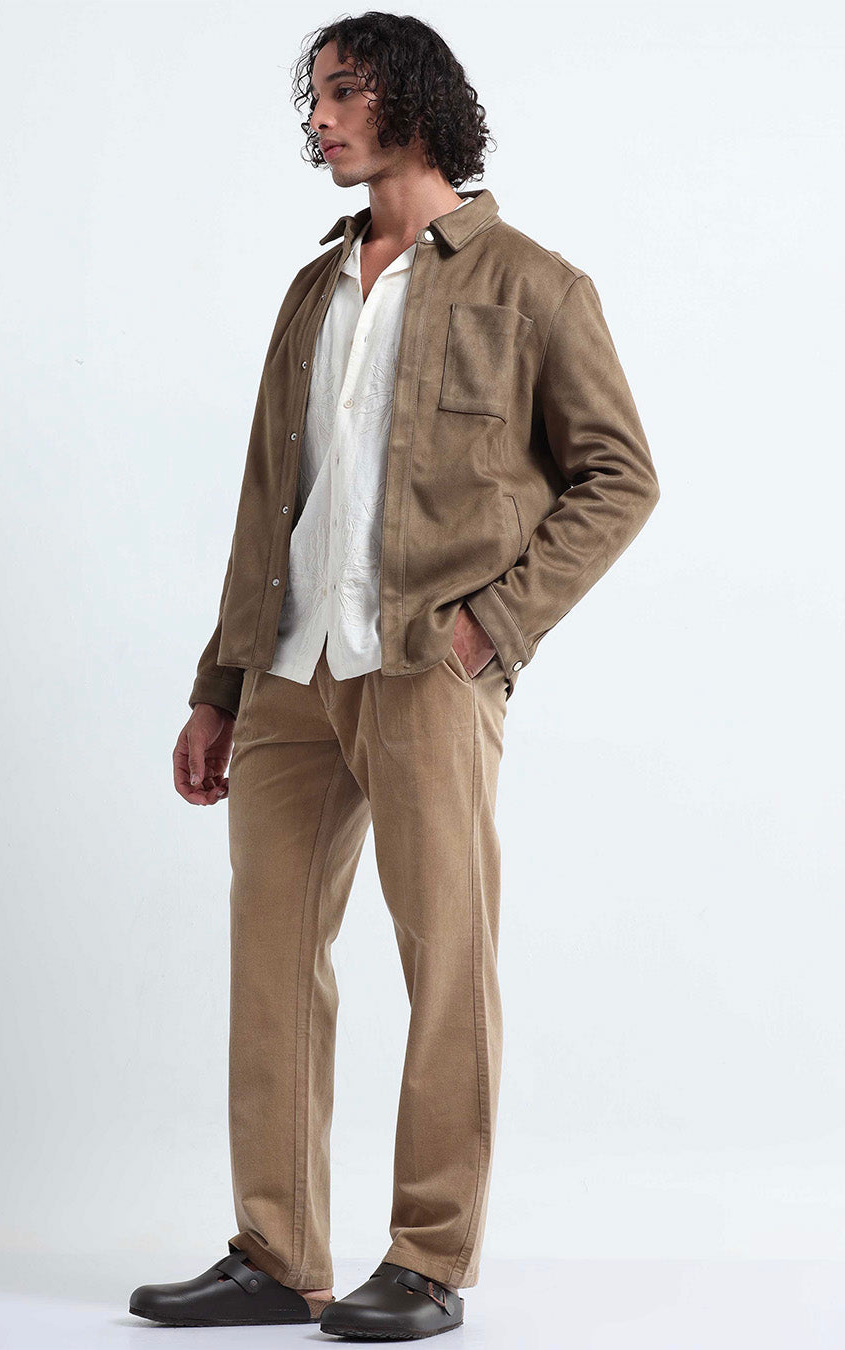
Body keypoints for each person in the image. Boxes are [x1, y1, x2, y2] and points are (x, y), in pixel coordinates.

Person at [138, 12, 660, 1340]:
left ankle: (428, 1259)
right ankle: (277, 1254)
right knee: (271, 960)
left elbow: (620, 477)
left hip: (429, 666)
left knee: (447, 961)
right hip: (289, 669)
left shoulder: (534, 287)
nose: (318, 118)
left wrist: (498, 623)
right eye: (312, 96)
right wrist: (218, 684)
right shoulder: (313, 290)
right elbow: (271, 499)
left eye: (344, 92)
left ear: (414, 101)